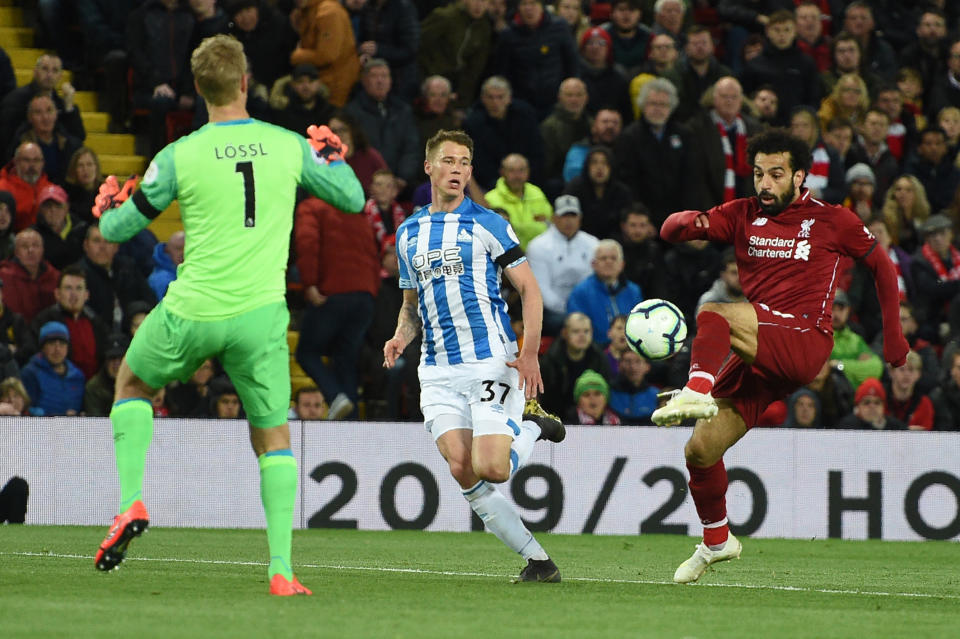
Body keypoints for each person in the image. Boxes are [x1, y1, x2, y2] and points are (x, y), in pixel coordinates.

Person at [90, 34, 365, 596]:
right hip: (261, 316)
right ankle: (282, 569)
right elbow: (353, 199)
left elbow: (116, 231)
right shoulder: (288, 145)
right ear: (245, 83)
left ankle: (129, 503)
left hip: (194, 308)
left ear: (198, 89)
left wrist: (113, 205)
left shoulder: (179, 154)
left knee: (133, 383)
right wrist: (333, 153)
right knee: (273, 438)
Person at [652, 128, 908, 583]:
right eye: (757, 174)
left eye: (775, 174)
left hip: (806, 339)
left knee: (715, 312)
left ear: (799, 176)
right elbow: (671, 229)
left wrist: (894, 337)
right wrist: (688, 222)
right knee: (700, 450)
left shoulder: (833, 220)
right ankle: (717, 540)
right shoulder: (743, 215)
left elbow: (881, 266)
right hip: (763, 352)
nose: (764, 184)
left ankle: (697, 387)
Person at [383, 129, 566, 583]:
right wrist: (400, 337)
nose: (458, 170)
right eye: (449, 161)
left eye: (465, 162)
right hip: (437, 369)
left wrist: (529, 354)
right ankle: (539, 562)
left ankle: (532, 426)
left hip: (489, 361)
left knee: (492, 468)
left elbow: (530, 291)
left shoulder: (487, 223)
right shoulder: (408, 233)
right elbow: (411, 305)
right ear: (429, 167)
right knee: (462, 468)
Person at [293, 193, 380, 420]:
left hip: (332, 291)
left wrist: (310, 282)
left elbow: (307, 243)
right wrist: (371, 291)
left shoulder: (311, 206)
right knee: (345, 359)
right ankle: (348, 423)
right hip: (364, 295)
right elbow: (372, 251)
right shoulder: (355, 208)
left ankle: (334, 397)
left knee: (306, 353)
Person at [525, 194, 598, 336]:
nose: (569, 221)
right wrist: (571, 311)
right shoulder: (538, 246)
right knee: (564, 323)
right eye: (564, 216)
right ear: (554, 218)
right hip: (553, 310)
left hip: (587, 306)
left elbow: (593, 282)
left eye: (573, 216)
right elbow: (541, 289)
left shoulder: (593, 244)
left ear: (580, 218)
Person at [566, 239, 642, 346]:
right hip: (595, 353)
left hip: (630, 349)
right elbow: (576, 331)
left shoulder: (633, 291)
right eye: (603, 258)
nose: (608, 262)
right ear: (593, 264)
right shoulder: (580, 292)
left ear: (622, 264)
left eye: (613, 258)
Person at [21, 320, 86, 415]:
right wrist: (59, 416)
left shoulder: (78, 376)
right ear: (43, 347)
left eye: (62, 344)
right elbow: (26, 411)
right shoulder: (30, 373)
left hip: (73, 428)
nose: (57, 349)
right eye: (51, 343)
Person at [0, 228, 60, 322]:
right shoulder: (4, 277)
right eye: (24, 246)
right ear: (16, 252)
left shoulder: (55, 276)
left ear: (43, 249)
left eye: (35, 245)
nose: (30, 250)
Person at [836, 377, 907, 430]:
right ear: (858, 406)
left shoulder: (896, 428)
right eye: (867, 402)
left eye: (877, 402)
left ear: (883, 406)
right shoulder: (846, 428)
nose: (872, 406)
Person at [148, 230, 184, 301]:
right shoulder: (162, 279)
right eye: (179, 248)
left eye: (187, 249)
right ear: (167, 251)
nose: (183, 253)